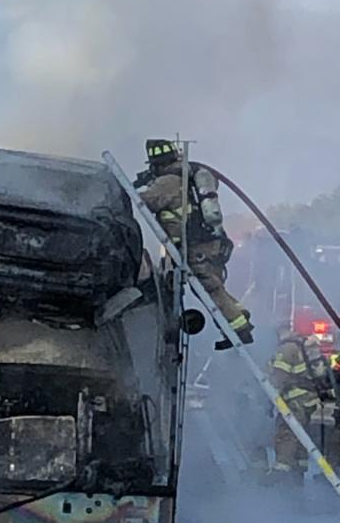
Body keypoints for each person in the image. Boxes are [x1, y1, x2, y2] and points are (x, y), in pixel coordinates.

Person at [135, 139, 253, 350]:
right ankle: (240, 318)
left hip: (195, 246)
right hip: (209, 242)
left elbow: (147, 200)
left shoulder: (168, 181)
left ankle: (238, 329)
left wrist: (129, 189)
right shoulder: (187, 177)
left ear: (155, 163)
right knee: (214, 286)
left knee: (209, 288)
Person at [269, 327, 334, 479]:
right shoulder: (301, 345)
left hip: (296, 400)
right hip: (309, 400)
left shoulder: (287, 348)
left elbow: (279, 377)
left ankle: (281, 470)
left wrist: (270, 396)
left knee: (287, 432)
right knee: (300, 434)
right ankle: (299, 467)